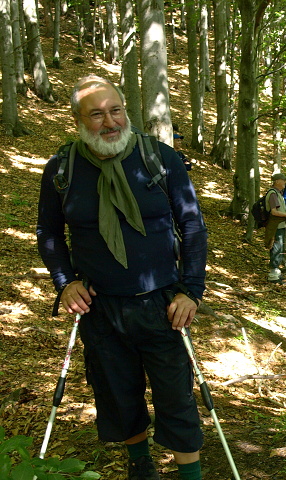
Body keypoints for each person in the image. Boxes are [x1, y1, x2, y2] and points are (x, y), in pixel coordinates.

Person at [36, 75, 208, 480]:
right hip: (100, 306)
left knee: (177, 399)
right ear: (78, 119)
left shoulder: (160, 159)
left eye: (116, 110)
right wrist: (65, 282)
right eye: (96, 114)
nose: (109, 121)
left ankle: (191, 476)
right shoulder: (63, 168)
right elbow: (48, 231)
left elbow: (193, 225)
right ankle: (140, 467)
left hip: (163, 303)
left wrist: (192, 291)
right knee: (117, 395)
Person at [264, 172, 286, 284]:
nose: (285, 182)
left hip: (280, 226)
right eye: (283, 180)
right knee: (276, 249)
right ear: (277, 181)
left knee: (279, 249)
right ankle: (273, 276)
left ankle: (276, 274)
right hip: (275, 226)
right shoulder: (273, 194)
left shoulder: (278, 193)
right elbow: (274, 212)